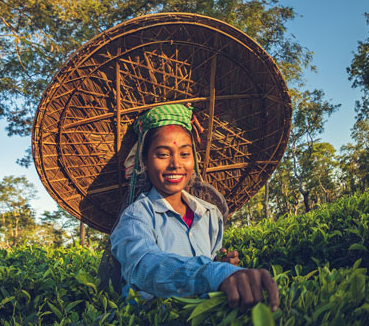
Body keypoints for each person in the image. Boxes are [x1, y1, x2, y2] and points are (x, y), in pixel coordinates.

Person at [110, 104, 279, 311]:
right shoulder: (136, 217)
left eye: (184, 154)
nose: (176, 164)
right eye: (163, 154)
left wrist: (222, 264)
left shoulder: (210, 214)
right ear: (145, 160)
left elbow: (209, 261)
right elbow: (143, 265)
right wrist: (215, 273)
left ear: (194, 160)